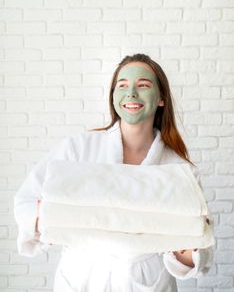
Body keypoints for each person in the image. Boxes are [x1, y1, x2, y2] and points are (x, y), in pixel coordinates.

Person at [14, 53, 213, 292]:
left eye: (143, 85)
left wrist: (185, 248)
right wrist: (53, 216)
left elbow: (197, 246)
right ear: (114, 97)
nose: (131, 93)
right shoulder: (77, 148)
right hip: (82, 277)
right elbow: (26, 201)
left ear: (161, 98)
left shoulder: (180, 170)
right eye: (122, 85)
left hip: (143, 281)